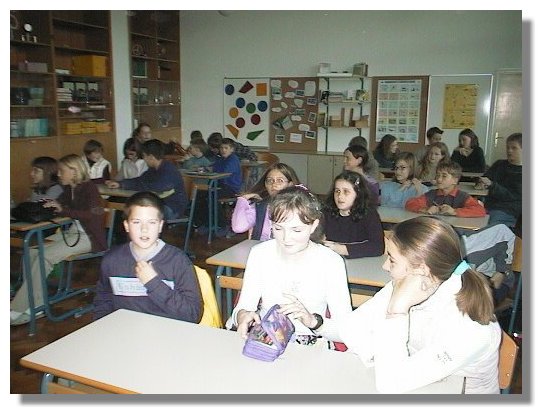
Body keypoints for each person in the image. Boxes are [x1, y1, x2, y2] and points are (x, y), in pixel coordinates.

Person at [321, 216, 501, 394]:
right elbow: (353, 327)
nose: (385, 266)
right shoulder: (407, 284)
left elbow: (391, 383)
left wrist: (397, 312)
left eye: (392, 260)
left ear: (422, 269)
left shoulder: (470, 328)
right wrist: (316, 323)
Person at [229, 185, 352, 345]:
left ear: (314, 226)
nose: (286, 238)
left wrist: (313, 322)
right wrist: (242, 316)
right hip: (266, 340)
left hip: (310, 345)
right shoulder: (260, 253)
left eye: (297, 230)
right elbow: (243, 307)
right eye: (278, 228)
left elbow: (346, 330)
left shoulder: (330, 262)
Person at [11, 154, 107, 326]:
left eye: (62, 171)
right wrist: (48, 205)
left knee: (45, 257)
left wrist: (63, 210)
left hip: (90, 238)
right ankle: (36, 304)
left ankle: (19, 307)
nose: (59, 174)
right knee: (31, 252)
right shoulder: (69, 189)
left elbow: (92, 215)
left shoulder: (89, 188)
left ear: (74, 171)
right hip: (73, 234)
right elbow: (59, 206)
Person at [93, 191, 203, 322]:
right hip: (125, 330)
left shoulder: (177, 261)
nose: (144, 229)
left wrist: (153, 283)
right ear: (126, 226)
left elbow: (192, 315)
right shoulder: (111, 260)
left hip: (167, 331)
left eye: (151, 222)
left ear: (160, 226)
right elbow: (103, 301)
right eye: (136, 222)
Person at [106, 139, 187, 221]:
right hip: (158, 204)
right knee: (128, 210)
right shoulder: (152, 169)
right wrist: (120, 184)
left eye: (144, 156)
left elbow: (158, 187)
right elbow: (139, 180)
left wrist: (141, 185)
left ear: (151, 157)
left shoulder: (168, 169)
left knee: (137, 212)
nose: (144, 159)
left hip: (172, 208)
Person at [322, 171, 384, 258]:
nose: (340, 196)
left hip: (360, 262)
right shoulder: (326, 212)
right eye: (337, 191)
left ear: (358, 194)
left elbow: (378, 247)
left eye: (346, 192)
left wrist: (343, 249)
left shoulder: (369, 214)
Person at [231, 162, 300, 240]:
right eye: (270, 180)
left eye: (280, 181)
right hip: (264, 246)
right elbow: (238, 228)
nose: (274, 184)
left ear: (290, 184)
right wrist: (242, 200)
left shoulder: (299, 207)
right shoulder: (261, 207)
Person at [405, 161, 486, 217]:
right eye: (437, 175)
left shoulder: (462, 196)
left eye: (444, 176)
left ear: (455, 180)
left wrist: (454, 211)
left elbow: (480, 210)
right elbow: (410, 204)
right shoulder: (431, 194)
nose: (439, 179)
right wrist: (425, 209)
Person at [476, 132, 522, 227]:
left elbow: (512, 196)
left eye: (514, 148)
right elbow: (485, 178)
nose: (509, 151)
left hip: (508, 210)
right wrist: (481, 183)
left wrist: (491, 185)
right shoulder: (499, 164)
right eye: (507, 147)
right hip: (488, 204)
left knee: (489, 225)